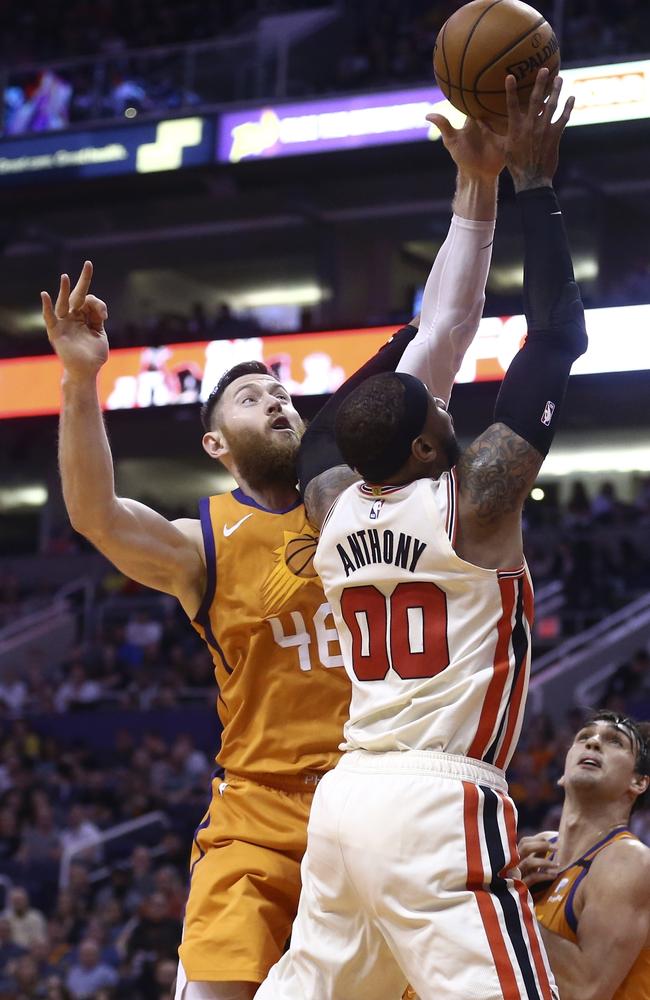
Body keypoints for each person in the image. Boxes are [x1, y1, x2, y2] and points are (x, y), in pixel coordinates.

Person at [41, 116, 504, 1000]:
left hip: (377, 804)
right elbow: (94, 513)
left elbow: (446, 326)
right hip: (258, 817)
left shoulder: (364, 487)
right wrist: (77, 377)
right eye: (254, 398)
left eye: (283, 390)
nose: (279, 402)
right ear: (218, 444)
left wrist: (475, 189)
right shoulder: (200, 543)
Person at [257, 68, 583, 1000]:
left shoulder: (328, 506)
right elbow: (555, 336)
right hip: (441, 796)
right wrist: (536, 180)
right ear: (432, 438)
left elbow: (334, 426)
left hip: (346, 799)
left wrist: (476, 194)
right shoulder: (474, 500)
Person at [518, 710, 650, 1000]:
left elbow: (584, 991)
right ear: (563, 773)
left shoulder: (629, 861)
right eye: (584, 737)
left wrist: (508, 904)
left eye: (615, 742)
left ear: (638, 782)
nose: (593, 743)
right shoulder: (536, 852)